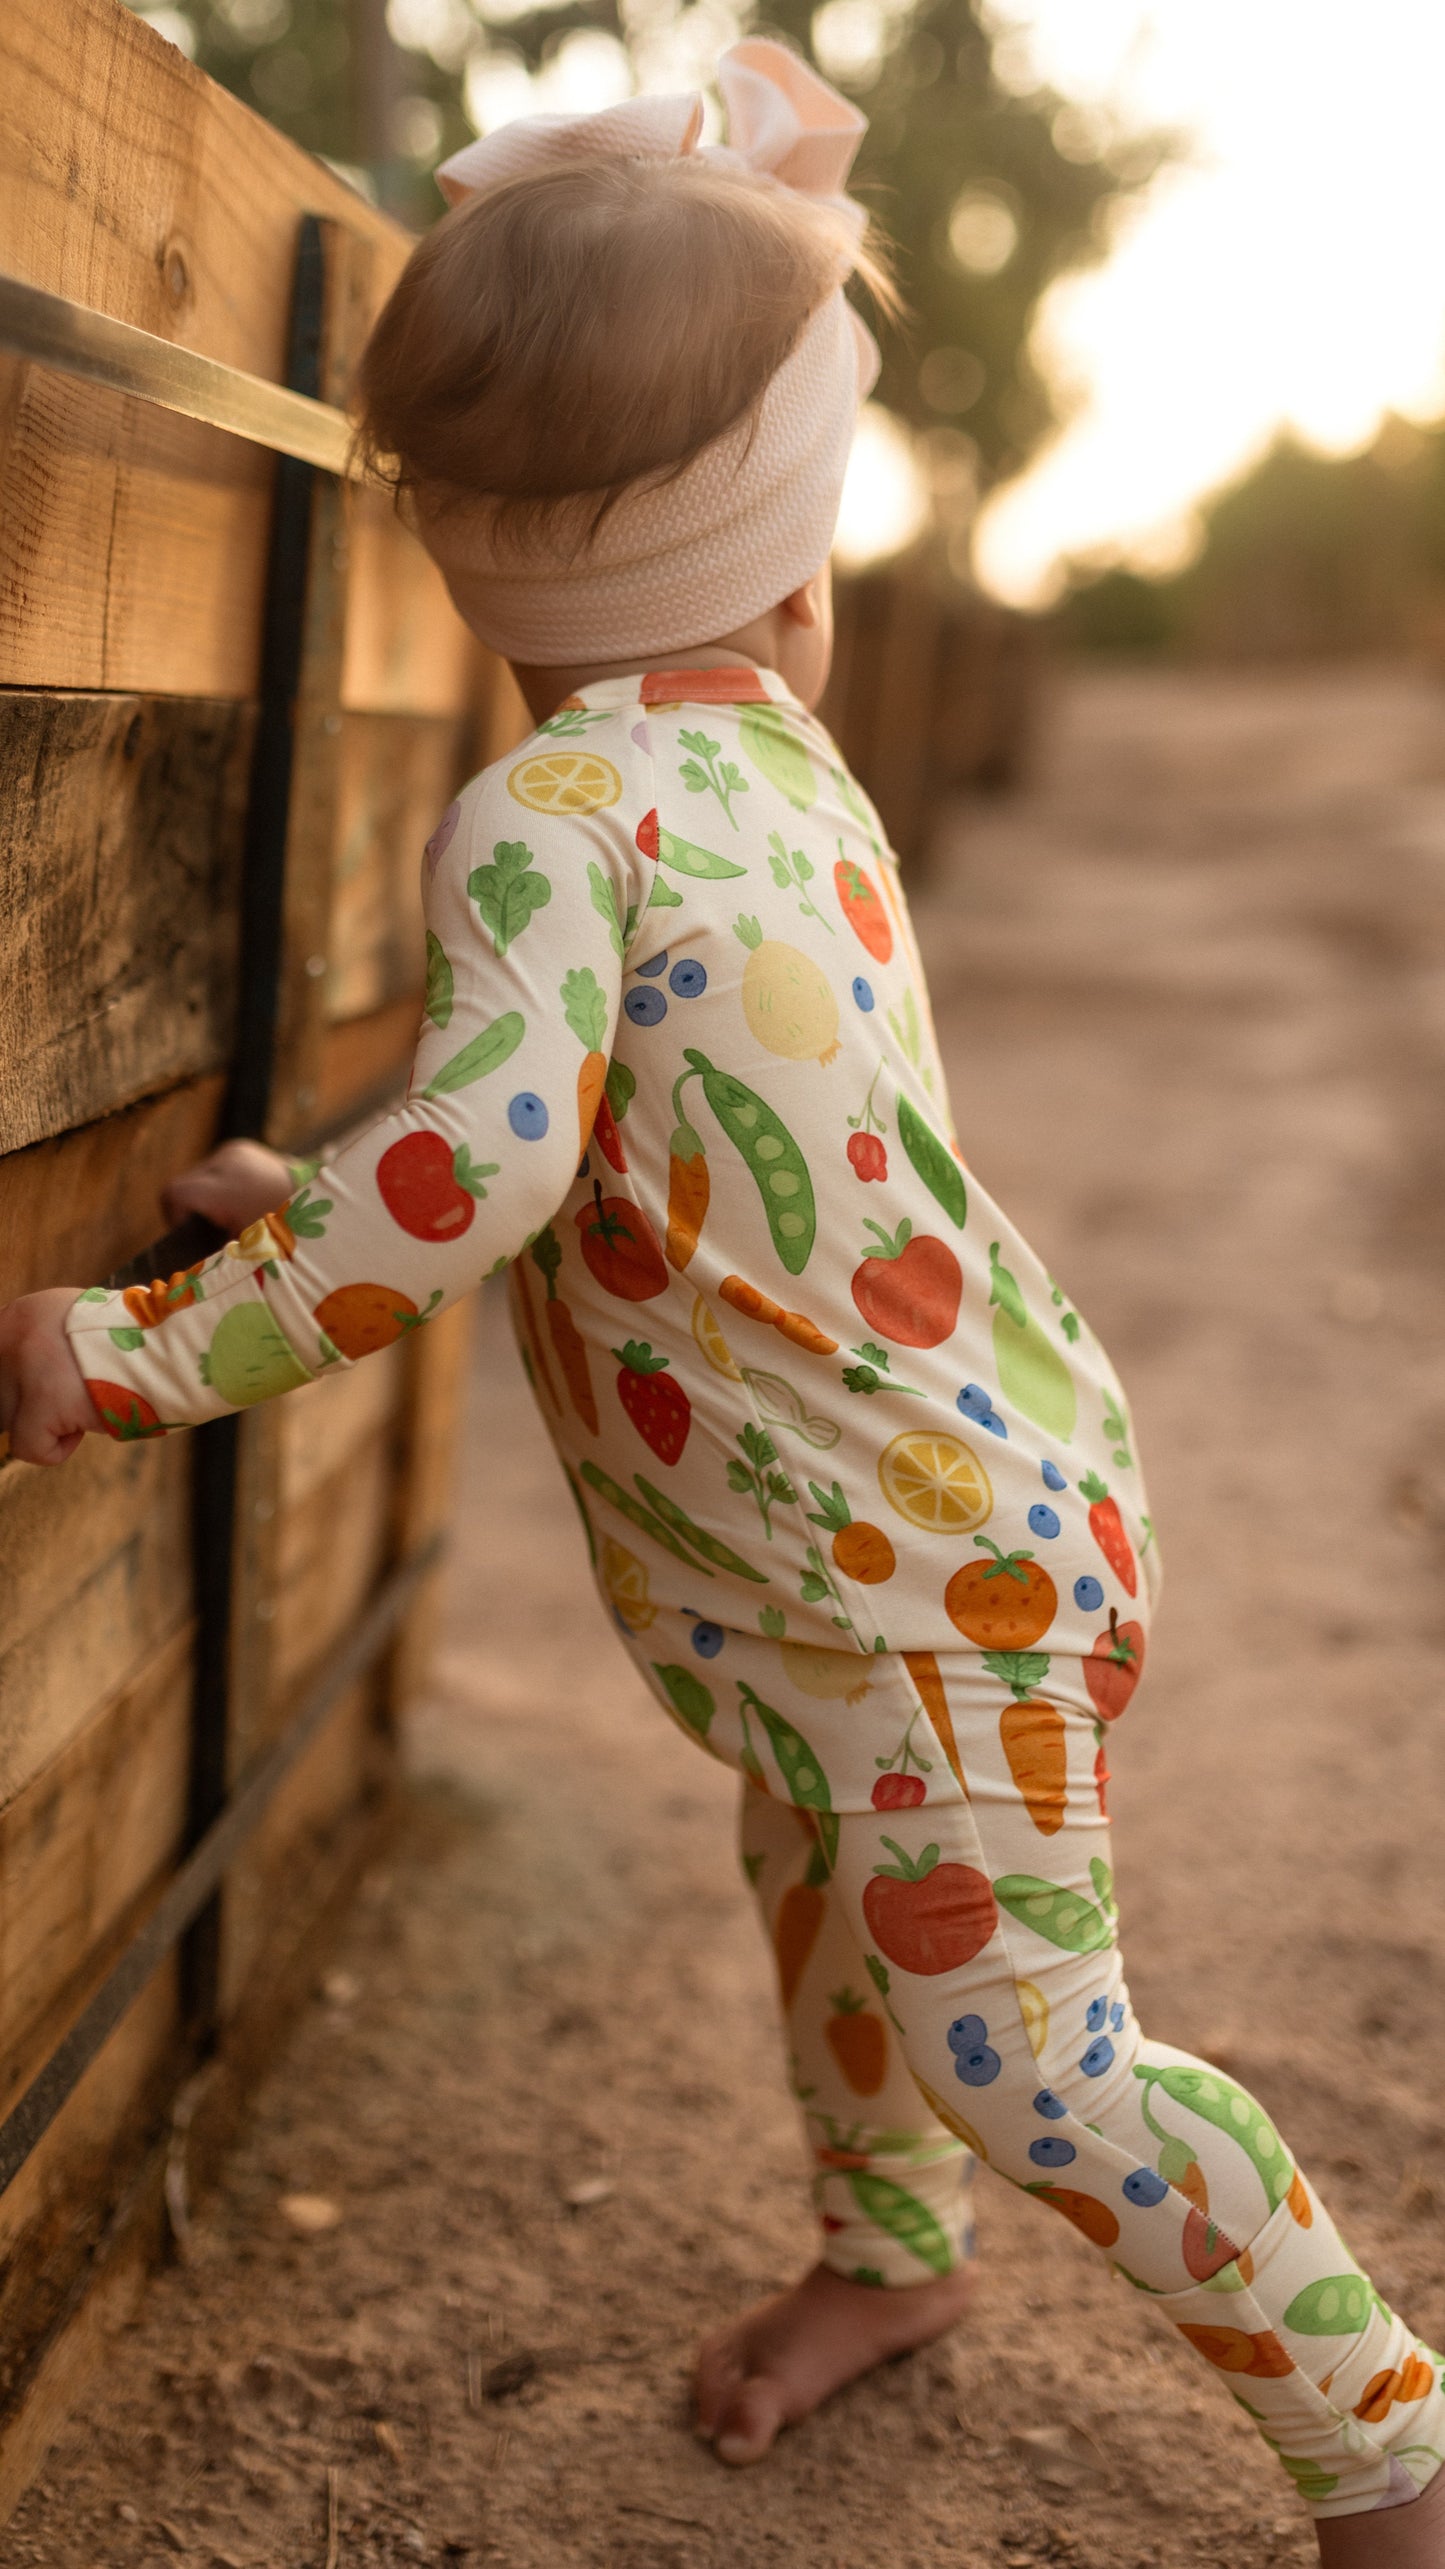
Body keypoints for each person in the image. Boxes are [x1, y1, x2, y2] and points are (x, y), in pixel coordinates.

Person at [1, 44, 1441, 2559]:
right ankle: (887, 2261)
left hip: (917, 1576)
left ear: (467, 561)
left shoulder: (548, 812)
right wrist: (320, 1186)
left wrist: (130, 1349)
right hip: (913, 1527)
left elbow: (483, 1177)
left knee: (1039, 2055)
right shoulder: (779, 764)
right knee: (831, 1884)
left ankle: (1391, 2438)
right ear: (791, 566)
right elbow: (603, 1134)